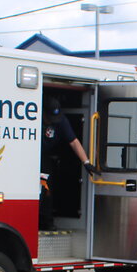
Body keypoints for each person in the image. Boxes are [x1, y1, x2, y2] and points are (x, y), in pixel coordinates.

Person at [40, 96, 98, 229]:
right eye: (49, 118)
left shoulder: (61, 121)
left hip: (44, 157)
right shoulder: (34, 118)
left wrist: (86, 162)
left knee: (46, 188)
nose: (51, 121)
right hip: (30, 155)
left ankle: (46, 222)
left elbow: (74, 142)